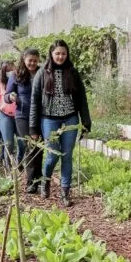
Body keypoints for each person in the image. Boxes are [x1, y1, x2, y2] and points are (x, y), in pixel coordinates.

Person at [30, 40, 91, 207]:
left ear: (67, 54)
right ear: (51, 54)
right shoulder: (42, 73)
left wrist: (85, 123)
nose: (60, 56)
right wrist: (33, 127)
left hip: (70, 118)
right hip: (49, 119)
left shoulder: (72, 72)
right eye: (57, 53)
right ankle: (46, 181)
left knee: (67, 155)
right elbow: (35, 101)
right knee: (53, 155)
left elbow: (82, 99)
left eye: (63, 53)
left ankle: (65, 192)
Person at [6, 48, 42, 192]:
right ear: (24, 59)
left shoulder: (42, 73)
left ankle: (39, 181)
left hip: (40, 115)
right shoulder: (16, 75)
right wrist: (11, 97)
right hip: (22, 115)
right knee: (31, 146)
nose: (32, 63)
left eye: (35, 60)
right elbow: (6, 95)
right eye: (30, 60)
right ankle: (30, 182)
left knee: (40, 147)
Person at [0, 61, 16, 166]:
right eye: (8, 71)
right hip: (5, 115)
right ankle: (8, 166)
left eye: (12, 70)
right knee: (8, 143)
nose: (10, 73)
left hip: (19, 116)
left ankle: (19, 162)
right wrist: (0, 106)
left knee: (23, 143)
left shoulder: (20, 81)